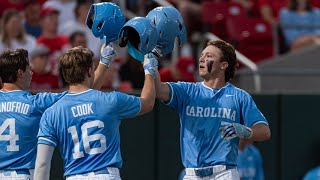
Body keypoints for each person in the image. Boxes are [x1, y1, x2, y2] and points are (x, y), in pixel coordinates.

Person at [152, 39, 271, 179]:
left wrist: (244, 131)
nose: (202, 59)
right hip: (191, 174)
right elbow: (158, 90)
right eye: (202, 55)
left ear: (223, 65)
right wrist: (152, 61)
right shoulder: (187, 91)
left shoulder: (240, 97)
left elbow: (265, 131)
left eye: (209, 56)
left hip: (224, 173)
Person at [34, 47, 158, 180]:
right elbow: (148, 103)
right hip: (106, 174)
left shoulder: (52, 112)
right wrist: (150, 71)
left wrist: (103, 63)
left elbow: (42, 164)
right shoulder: (110, 100)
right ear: (89, 71)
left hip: (74, 176)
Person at [0, 45, 115, 180]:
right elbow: (83, 94)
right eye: (28, 69)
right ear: (19, 73)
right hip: (23, 175)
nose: (31, 73)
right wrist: (104, 63)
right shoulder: (37, 102)